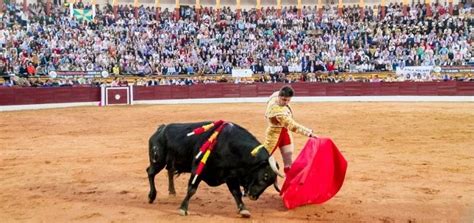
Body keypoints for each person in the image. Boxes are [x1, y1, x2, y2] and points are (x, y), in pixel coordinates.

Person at [264, 85, 318, 174]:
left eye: (288, 100)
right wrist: (309, 133)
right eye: (284, 100)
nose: (286, 102)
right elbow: (292, 125)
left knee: (288, 159)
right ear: (279, 97)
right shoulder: (278, 112)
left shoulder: (275, 96)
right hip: (273, 135)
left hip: (284, 133)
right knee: (262, 158)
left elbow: (274, 94)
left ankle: (290, 182)